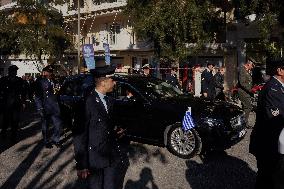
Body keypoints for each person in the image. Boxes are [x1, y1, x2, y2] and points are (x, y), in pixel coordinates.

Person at [74, 65, 129, 189]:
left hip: (110, 155)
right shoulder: (86, 103)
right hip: (95, 158)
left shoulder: (110, 101)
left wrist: (116, 131)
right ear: (103, 82)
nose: (115, 83)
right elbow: (79, 136)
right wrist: (81, 164)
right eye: (112, 80)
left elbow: (106, 126)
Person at [249, 58, 284, 189]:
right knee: (269, 178)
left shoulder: (279, 87)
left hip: (274, 142)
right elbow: (277, 118)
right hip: (268, 144)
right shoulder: (272, 89)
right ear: (280, 70)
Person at [34, 65, 62, 148]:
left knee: (58, 125)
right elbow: (38, 96)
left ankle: (56, 140)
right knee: (45, 126)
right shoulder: (40, 82)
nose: (50, 73)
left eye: (51, 72)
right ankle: (46, 141)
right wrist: (40, 108)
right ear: (45, 73)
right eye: (49, 72)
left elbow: (57, 93)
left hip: (55, 107)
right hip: (45, 107)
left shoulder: (55, 81)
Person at [0, 65, 26, 140]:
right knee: (6, 120)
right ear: (9, 72)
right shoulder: (3, 79)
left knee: (15, 120)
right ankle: (4, 132)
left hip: (16, 103)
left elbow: (23, 92)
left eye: (15, 71)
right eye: (12, 71)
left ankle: (13, 136)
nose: (14, 72)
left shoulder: (20, 80)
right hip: (6, 103)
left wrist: (23, 102)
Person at [238, 57, 255, 127]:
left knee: (245, 107)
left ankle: (242, 122)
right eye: (252, 66)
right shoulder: (242, 70)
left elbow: (247, 82)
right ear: (249, 64)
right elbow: (242, 83)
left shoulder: (247, 70)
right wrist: (250, 89)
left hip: (246, 92)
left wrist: (253, 87)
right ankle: (244, 123)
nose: (252, 67)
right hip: (243, 92)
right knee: (248, 107)